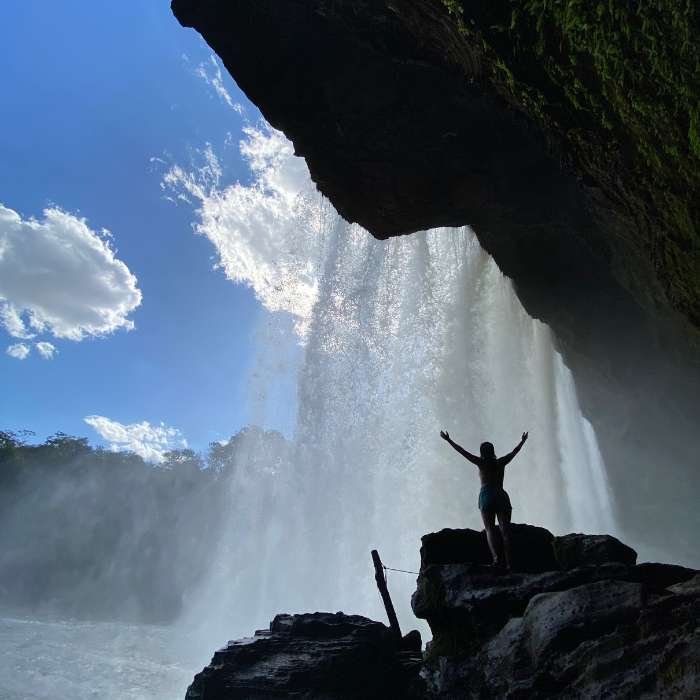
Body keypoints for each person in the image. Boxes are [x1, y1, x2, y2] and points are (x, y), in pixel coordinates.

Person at [440, 429, 528, 571]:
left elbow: (462, 452)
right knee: (505, 531)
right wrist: (523, 441)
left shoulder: (480, 462)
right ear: (493, 451)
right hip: (501, 495)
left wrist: (448, 440)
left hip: (486, 496)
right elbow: (514, 452)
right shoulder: (501, 462)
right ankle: (510, 563)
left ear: (482, 452)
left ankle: (497, 560)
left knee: (490, 530)